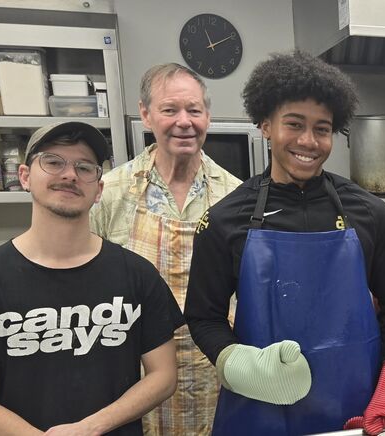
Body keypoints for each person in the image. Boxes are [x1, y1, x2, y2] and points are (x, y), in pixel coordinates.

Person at [184, 51, 385, 436]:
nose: (308, 141)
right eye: (294, 124)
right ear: (265, 125)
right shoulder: (225, 219)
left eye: (322, 129)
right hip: (259, 410)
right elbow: (203, 317)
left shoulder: (369, 213)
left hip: (355, 410)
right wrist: (237, 363)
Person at [0, 122, 183, 435]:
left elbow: (164, 375)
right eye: (53, 161)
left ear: (99, 190)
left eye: (85, 167)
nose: (70, 175)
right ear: (24, 177)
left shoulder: (137, 275)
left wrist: (90, 428)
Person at [90, 63, 241, 435]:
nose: (184, 122)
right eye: (170, 110)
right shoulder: (110, 192)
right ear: (146, 115)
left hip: (218, 373)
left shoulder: (236, 197)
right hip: (137, 376)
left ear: (208, 116)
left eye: (194, 110)